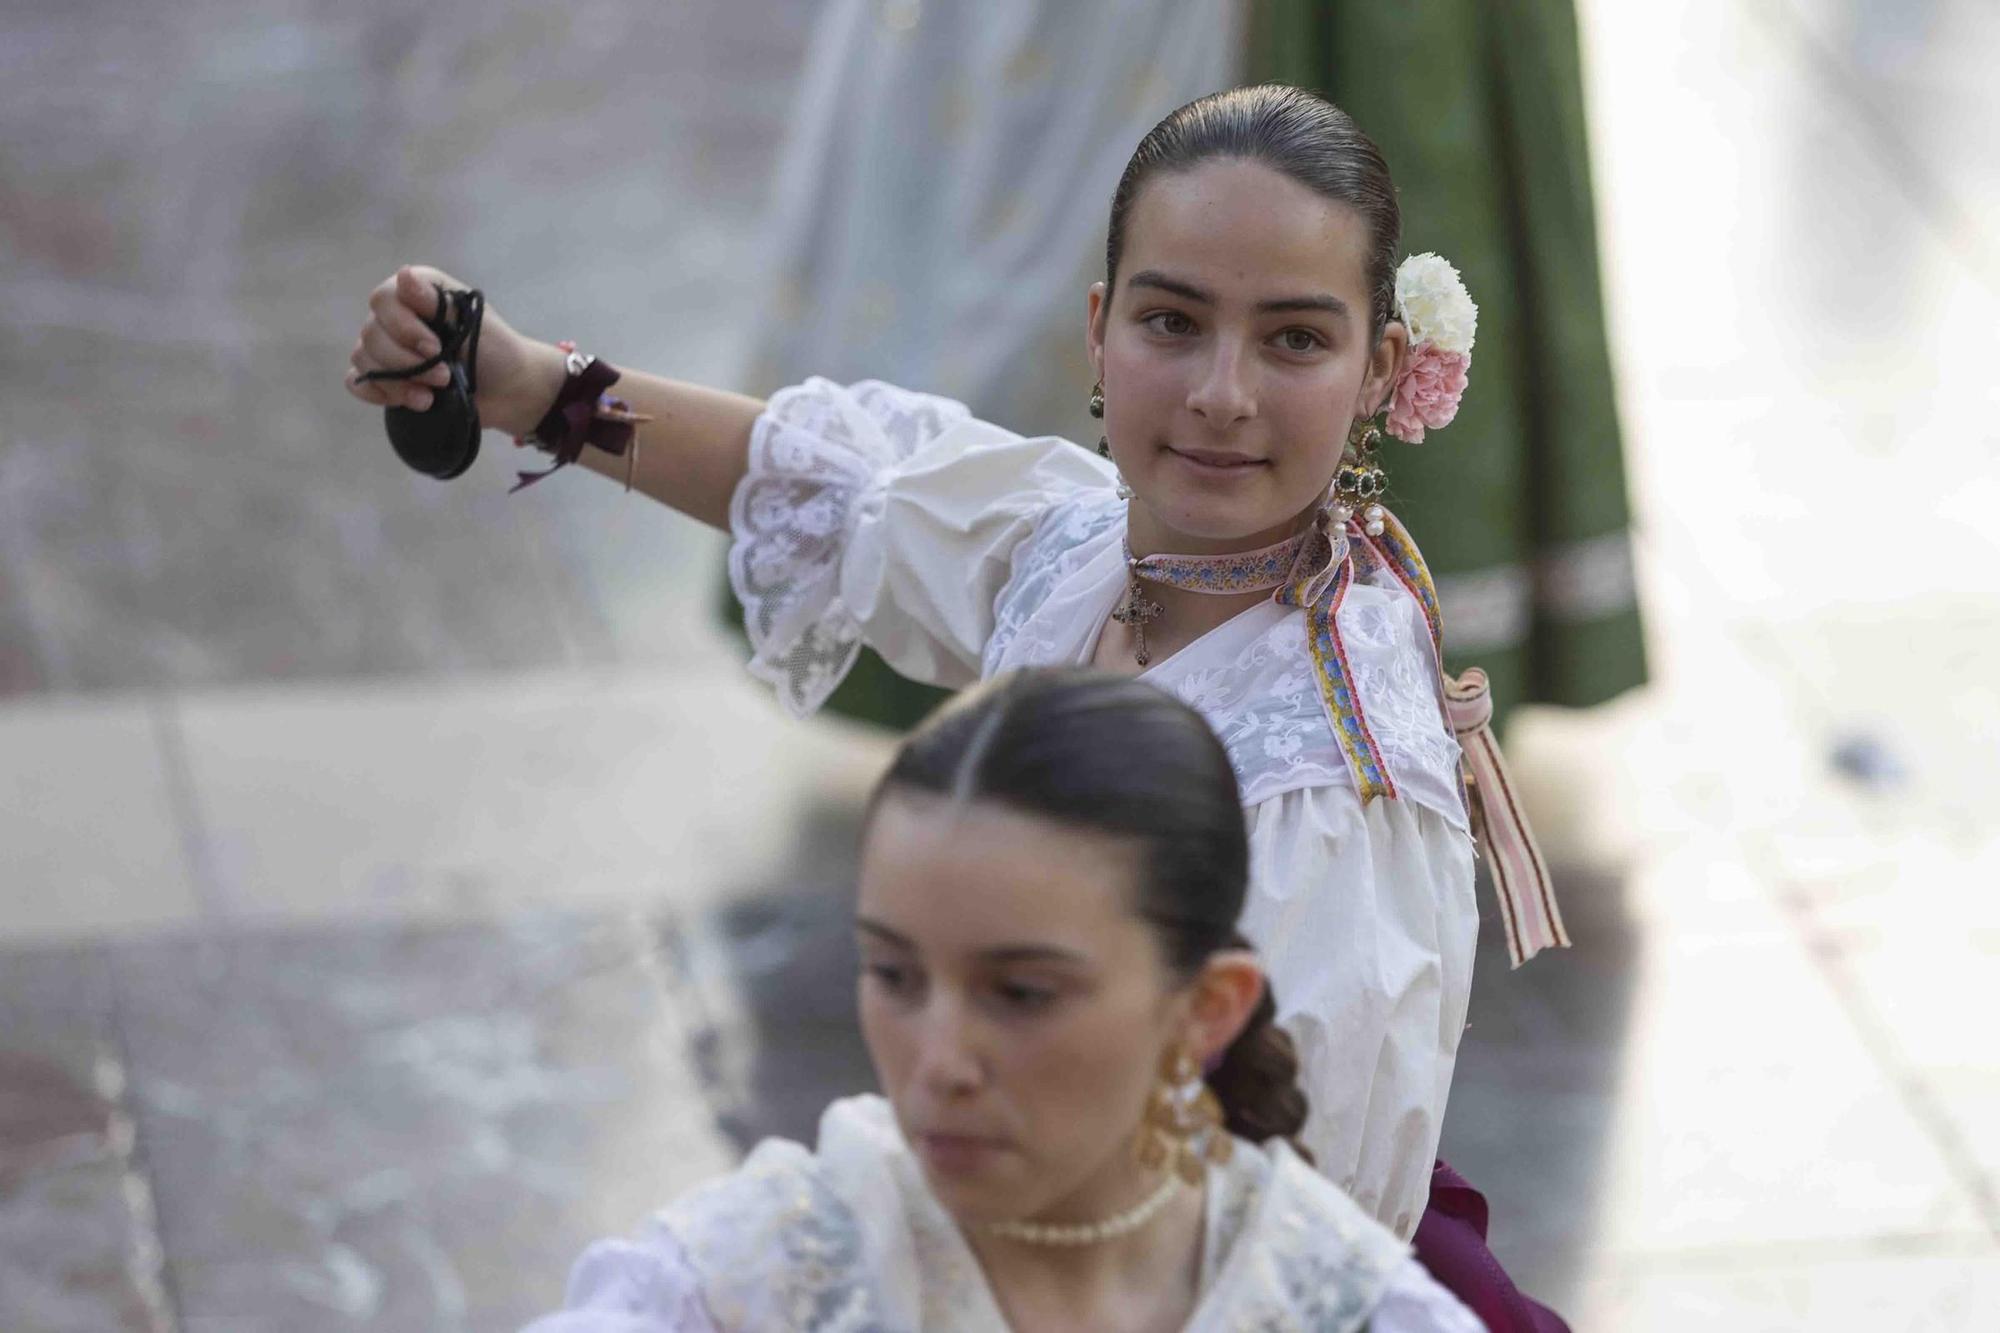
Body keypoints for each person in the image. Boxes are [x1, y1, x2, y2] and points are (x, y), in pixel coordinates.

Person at [345, 83, 1565, 1305]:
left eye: (1292, 338)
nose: (1219, 392)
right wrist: (519, 381)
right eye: (1171, 322)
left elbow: (1276, 1241)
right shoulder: (1078, 550)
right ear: (1097, 330)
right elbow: (833, 482)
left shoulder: (1331, 783)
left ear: (1380, 367)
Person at [522, 670, 1481, 1331]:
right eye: (894, 976)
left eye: (1021, 993)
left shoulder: (1337, 1300)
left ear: (1206, 1008)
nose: (940, 1060)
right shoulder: (753, 1275)